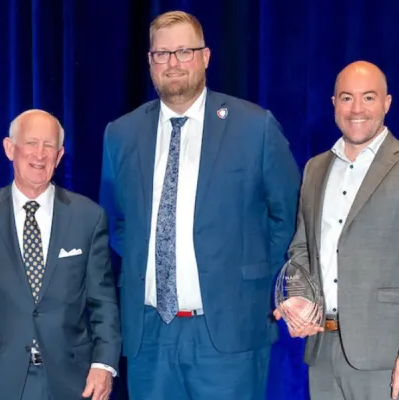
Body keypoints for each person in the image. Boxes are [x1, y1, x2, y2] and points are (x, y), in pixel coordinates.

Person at [99, 10, 300, 400]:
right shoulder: (121, 134)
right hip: (150, 334)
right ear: (150, 62)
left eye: (183, 52)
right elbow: (117, 222)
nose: (173, 63)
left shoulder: (254, 126)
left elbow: (288, 216)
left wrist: (247, 276)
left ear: (205, 57)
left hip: (228, 333)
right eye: (162, 54)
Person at [275, 60, 399, 399]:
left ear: (387, 103)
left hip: (389, 359)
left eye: (369, 98)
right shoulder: (315, 168)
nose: (357, 109)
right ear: (333, 104)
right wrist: (298, 295)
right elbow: (302, 249)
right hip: (323, 351)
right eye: (346, 98)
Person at [0, 109, 121, 400]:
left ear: (60, 154)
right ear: (9, 148)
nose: (39, 154)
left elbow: (102, 300)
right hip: (0, 376)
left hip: (72, 380)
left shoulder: (87, 216)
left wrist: (104, 363)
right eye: (31, 143)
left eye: (49, 145)